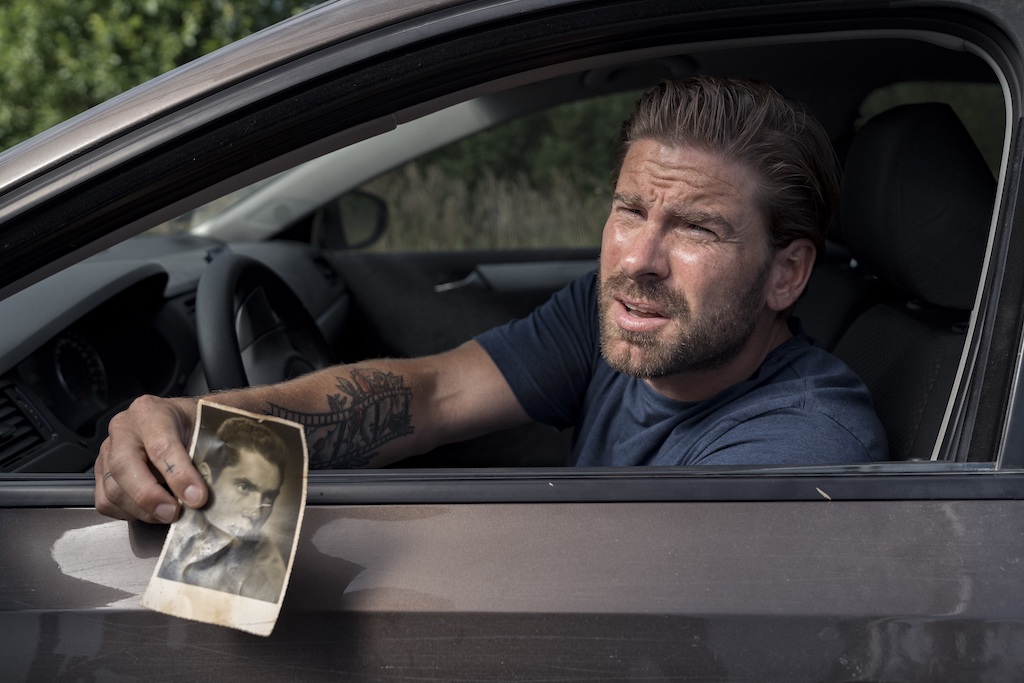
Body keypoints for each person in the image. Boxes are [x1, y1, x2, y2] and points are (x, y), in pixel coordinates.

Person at [96, 75, 887, 524]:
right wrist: (204, 426)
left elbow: (633, 614)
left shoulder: (800, 449)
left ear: (786, 274)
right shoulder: (612, 316)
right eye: (629, 210)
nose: (638, 261)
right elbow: (431, 394)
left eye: (697, 229)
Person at [156, 417, 290, 602]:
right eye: (244, 487)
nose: (257, 512)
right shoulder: (171, 522)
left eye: (268, 497)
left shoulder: (266, 581)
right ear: (205, 477)